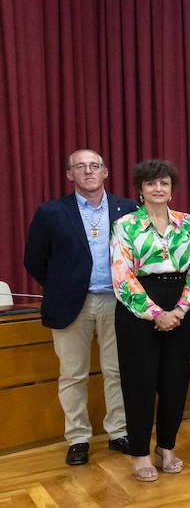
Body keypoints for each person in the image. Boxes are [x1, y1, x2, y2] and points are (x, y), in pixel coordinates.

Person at [23, 149, 136, 466]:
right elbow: (34, 260)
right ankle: (78, 438)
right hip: (72, 304)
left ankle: (119, 432)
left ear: (106, 172)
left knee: (117, 371)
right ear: (69, 174)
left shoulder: (127, 209)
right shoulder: (51, 212)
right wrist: (62, 285)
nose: (88, 171)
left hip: (119, 303)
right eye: (80, 166)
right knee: (73, 375)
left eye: (95, 166)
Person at [109, 159, 190, 481]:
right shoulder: (126, 225)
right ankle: (139, 452)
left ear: (172, 188)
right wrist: (156, 314)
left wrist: (179, 310)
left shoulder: (187, 222)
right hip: (139, 308)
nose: (158, 189)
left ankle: (167, 446)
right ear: (140, 189)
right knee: (140, 383)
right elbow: (122, 275)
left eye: (164, 183)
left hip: (180, 306)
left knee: (175, 381)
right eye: (151, 184)